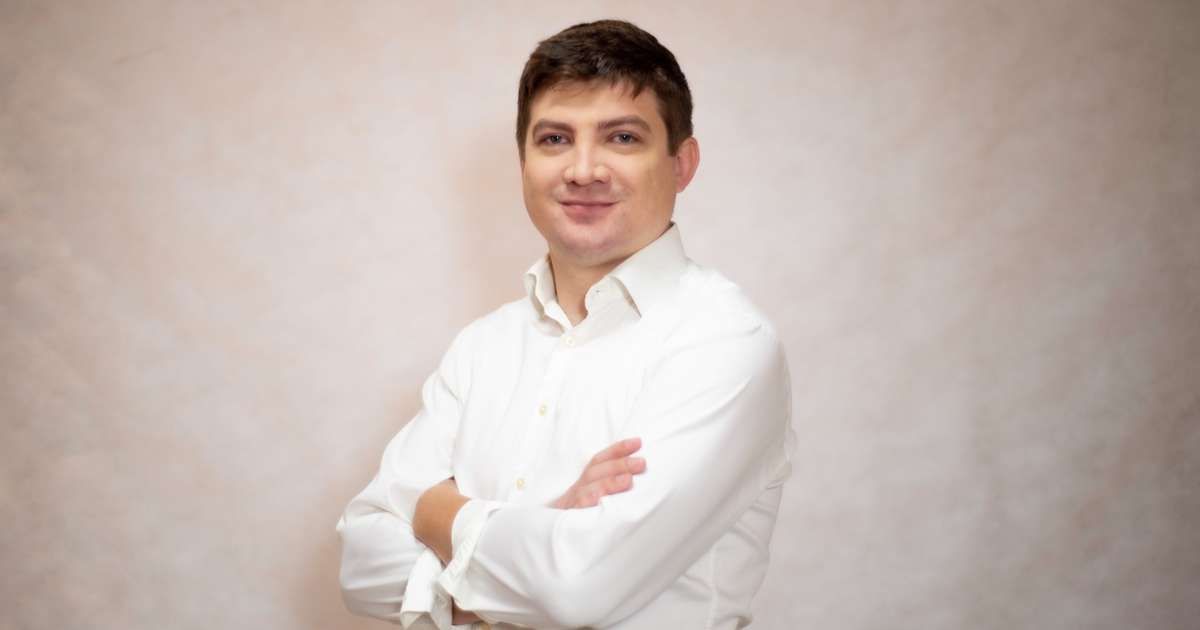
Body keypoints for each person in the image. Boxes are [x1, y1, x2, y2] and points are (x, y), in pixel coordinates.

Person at [337, 19, 796, 630]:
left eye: (622, 137)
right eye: (555, 138)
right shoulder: (482, 347)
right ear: (524, 161)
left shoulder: (724, 344)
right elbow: (359, 565)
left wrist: (433, 511)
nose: (583, 170)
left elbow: (576, 588)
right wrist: (543, 526)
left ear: (682, 164)